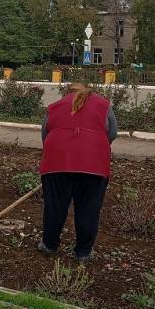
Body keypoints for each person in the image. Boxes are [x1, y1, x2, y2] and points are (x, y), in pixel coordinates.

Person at [37, 83, 117, 261]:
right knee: (89, 208)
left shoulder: (55, 106)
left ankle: (50, 245)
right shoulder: (104, 105)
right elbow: (112, 132)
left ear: (67, 93)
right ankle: (83, 252)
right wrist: (95, 145)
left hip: (57, 163)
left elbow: (45, 134)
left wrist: (57, 155)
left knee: (55, 206)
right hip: (93, 165)